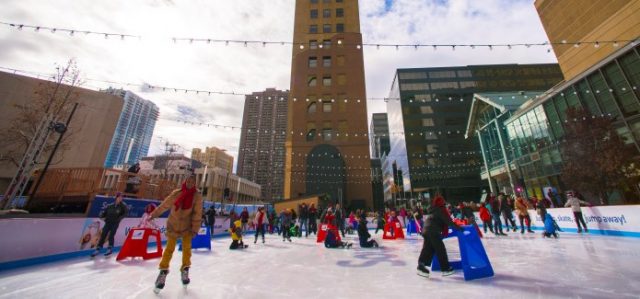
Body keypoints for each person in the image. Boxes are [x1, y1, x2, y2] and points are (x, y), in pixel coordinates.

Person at [149, 175, 203, 293]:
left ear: (195, 183)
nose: (189, 183)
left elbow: (197, 213)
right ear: (185, 181)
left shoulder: (197, 196)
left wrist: (195, 229)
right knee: (169, 249)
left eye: (192, 182)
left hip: (187, 227)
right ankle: (163, 272)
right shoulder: (177, 193)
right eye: (188, 180)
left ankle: (185, 269)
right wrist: (153, 214)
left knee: (187, 249)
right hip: (173, 225)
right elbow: (165, 205)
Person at [417, 195, 463, 278]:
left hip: (426, 229)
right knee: (440, 249)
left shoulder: (433, 210)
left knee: (428, 248)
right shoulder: (441, 209)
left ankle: (421, 266)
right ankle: (445, 269)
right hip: (433, 231)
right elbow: (448, 221)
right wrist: (459, 228)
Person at [91, 192, 128, 257]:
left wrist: (119, 219)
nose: (121, 198)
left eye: (122, 197)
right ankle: (98, 248)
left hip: (115, 223)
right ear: (116, 197)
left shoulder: (123, 206)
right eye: (119, 197)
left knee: (111, 235)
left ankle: (110, 248)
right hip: (108, 223)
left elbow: (125, 213)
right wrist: (102, 215)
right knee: (103, 235)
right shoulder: (110, 205)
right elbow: (104, 213)